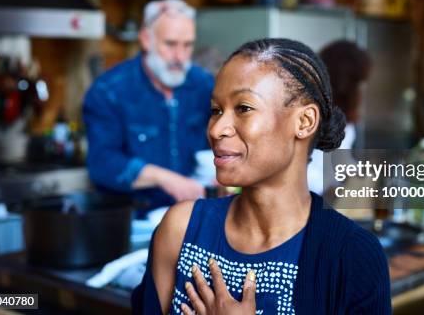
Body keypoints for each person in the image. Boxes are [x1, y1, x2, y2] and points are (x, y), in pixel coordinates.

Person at [132, 38, 391, 314]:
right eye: (216, 110)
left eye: (243, 108)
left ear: (304, 122)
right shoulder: (181, 230)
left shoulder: (353, 256)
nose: (217, 128)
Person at [83, 0, 213, 211]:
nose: (180, 57)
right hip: (134, 220)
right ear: (145, 39)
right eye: (170, 44)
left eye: (188, 45)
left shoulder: (204, 85)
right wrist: (165, 179)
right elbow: (102, 163)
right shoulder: (109, 91)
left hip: (193, 214)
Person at [306, 40, 372, 194]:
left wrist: (358, 175)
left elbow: (340, 158)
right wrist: (329, 189)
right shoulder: (310, 113)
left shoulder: (344, 115)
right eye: (358, 83)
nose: (362, 90)